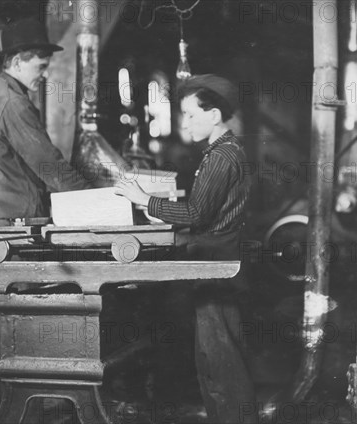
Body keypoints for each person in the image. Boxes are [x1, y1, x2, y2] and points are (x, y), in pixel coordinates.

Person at [0, 17, 92, 422]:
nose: (44, 74)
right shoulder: (13, 104)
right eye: (39, 66)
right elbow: (51, 167)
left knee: (0, 324)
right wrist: (100, 200)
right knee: (10, 325)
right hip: (15, 230)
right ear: (15, 60)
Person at [114, 74, 257, 423]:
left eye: (191, 114)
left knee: (220, 360)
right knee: (213, 358)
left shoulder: (223, 156)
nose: (185, 121)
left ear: (214, 116)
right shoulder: (221, 152)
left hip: (215, 266)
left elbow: (197, 213)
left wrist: (144, 200)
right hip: (214, 263)